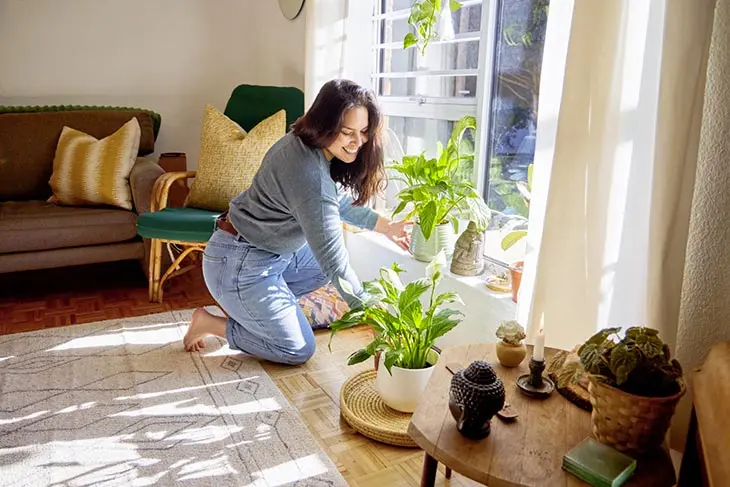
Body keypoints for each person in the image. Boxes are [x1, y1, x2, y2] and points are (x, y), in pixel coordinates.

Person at [183, 79, 410, 365]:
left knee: (317, 268)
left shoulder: (305, 143)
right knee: (297, 349)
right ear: (326, 124)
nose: (358, 143)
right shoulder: (308, 174)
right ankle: (211, 323)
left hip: (266, 252)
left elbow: (335, 204)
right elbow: (335, 261)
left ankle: (255, 310)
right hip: (237, 264)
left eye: (364, 132)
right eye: (347, 132)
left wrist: (386, 227)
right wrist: (376, 319)